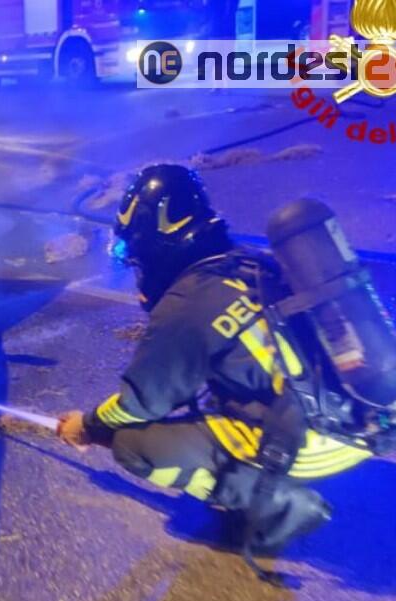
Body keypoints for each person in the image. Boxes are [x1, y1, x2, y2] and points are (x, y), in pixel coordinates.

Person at [55, 164, 365, 567]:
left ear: (154, 243)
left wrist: (89, 425)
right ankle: (253, 471)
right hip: (357, 415)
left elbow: (140, 404)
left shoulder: (186, 303)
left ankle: (275, 504)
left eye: (134, 251)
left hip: (310, 442)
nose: (135, 264)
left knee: (134, 445)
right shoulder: (248, 262)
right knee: (211, 393)